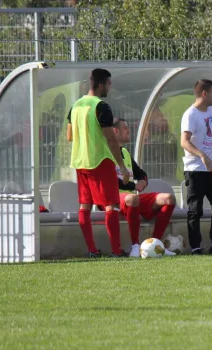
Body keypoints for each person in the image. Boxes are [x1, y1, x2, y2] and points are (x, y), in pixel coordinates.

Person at [66, 68, 130, 257]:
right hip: (100, 161)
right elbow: (111, 139)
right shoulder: (101, 106)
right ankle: (116, 250)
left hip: (80, 162)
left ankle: (92, 250)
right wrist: (122, 166)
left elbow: (69, 136)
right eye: (109, 84)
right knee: (111, 205)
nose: (110, 88)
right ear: (101, 85)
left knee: (84, 206)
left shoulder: (76, 106)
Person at [112, 118, 176, 257]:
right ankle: (135, 246)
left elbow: (141, 173)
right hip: (113, 198)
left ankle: (155, 244)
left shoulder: (125, 152)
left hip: (130, 198)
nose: (129, 131)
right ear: (115, 131)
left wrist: (142, 182)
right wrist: (134, 185)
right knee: (133, 198)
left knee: (169, 199)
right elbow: (111, 181)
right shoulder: (105, 153)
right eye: (125, 128)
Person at [180, 79, 212, 255]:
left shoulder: (211, 110)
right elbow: (184, 142)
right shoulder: (190, 115)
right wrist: (201, 155)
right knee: (195, 209)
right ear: (204, 94)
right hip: (195, 169)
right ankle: (196, 247)